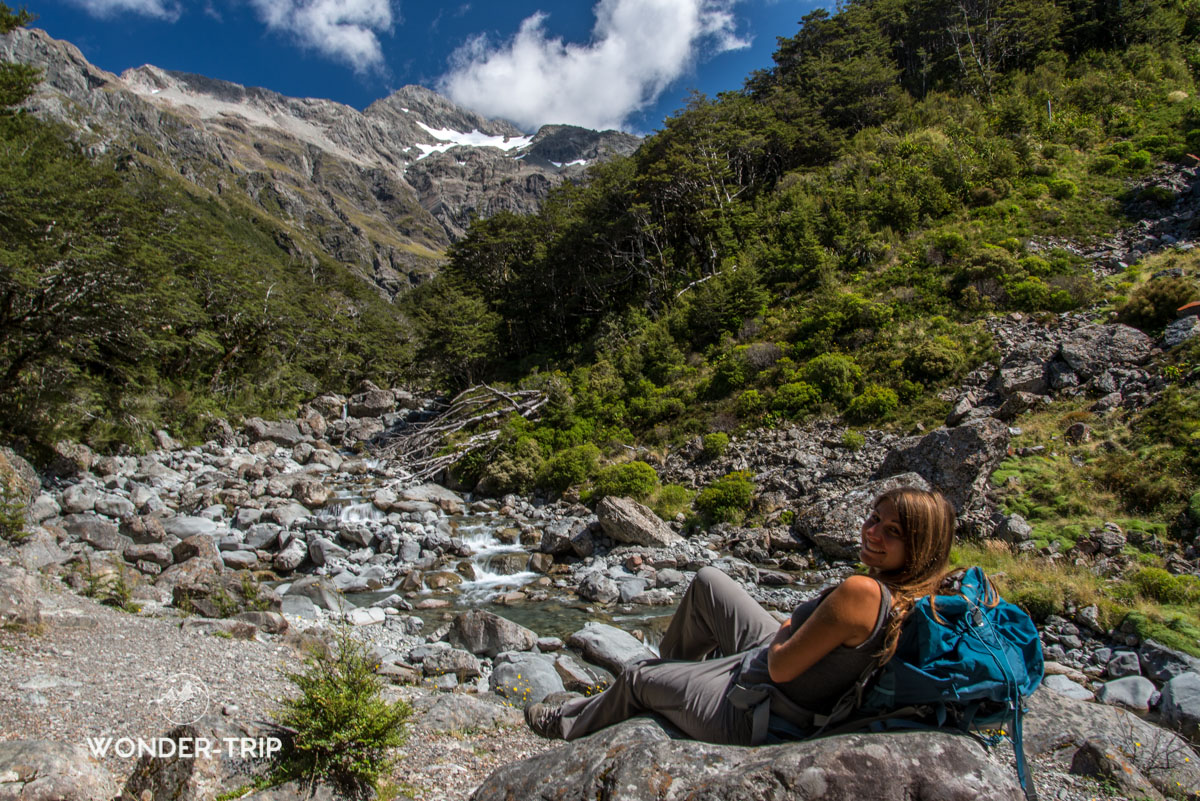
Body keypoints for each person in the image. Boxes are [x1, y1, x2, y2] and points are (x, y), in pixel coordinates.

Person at [524, 486, 957, 745]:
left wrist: (790, 623)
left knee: (637, 676)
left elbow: (781, 665)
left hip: (759, 706)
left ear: (920, 546)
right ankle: (673, 678)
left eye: (892, 531)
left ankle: (566, 723)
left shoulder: (863, 591)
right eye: (874, 518)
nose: (871, 531)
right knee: (708, 581)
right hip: (781, 674)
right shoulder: (919, 591)